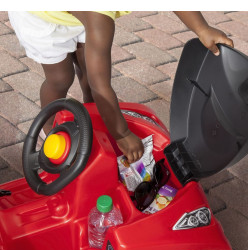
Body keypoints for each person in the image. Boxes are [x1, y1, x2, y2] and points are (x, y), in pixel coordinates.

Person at [8, 11, 233, 163]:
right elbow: (101, 84)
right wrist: (122, 134)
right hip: (41, 16)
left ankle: (94, 118)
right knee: (61, 77)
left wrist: (202, 28)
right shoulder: (99, 15)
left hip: (77, 14)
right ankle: (50, 131)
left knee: (88, 67)